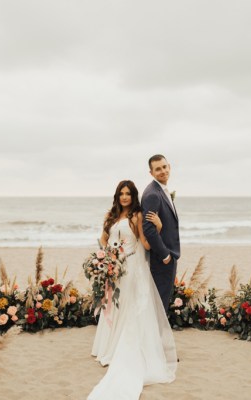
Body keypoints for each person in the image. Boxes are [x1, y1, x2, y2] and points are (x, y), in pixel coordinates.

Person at [88, 180, 177, 400]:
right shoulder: (111, 215)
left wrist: (157, 227)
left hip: (131, 267)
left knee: (127, 306)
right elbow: (104, 238)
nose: (125, 197)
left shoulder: (136, 215)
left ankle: (124, 349)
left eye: (128, 193)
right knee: (113, 306)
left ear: (133, 195)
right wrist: (105, 258)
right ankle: (109, 345)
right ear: (117, 196)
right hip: (114, 267)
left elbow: (145, 245)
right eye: (121, 193)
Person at [141, 154, 180, 313]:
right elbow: (149, 230)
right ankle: (155, 337)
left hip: (167, 256)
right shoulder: (152, 194)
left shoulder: (161, 190)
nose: (163, 171)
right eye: (158, 169)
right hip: (161, 259)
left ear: (169, 166)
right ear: (151, 173)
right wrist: (165, 255)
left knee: (160, 302)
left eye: (164, 167)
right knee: (159, 304)